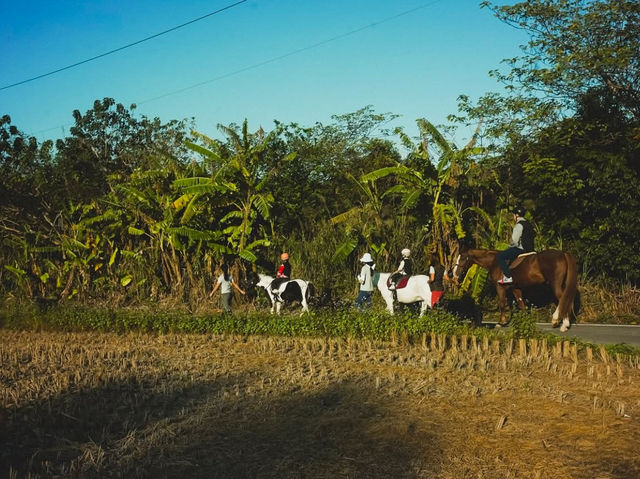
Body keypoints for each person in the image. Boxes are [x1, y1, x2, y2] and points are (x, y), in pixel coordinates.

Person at [497, 206, 535, 284]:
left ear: (517, 215)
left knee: (500, 256)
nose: (513, 217)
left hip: (521, 249)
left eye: (514, 215)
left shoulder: (518, 225)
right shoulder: (529, 224)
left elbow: (514, 241)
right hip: (531, 250)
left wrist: (509, 247)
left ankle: (508, 277)